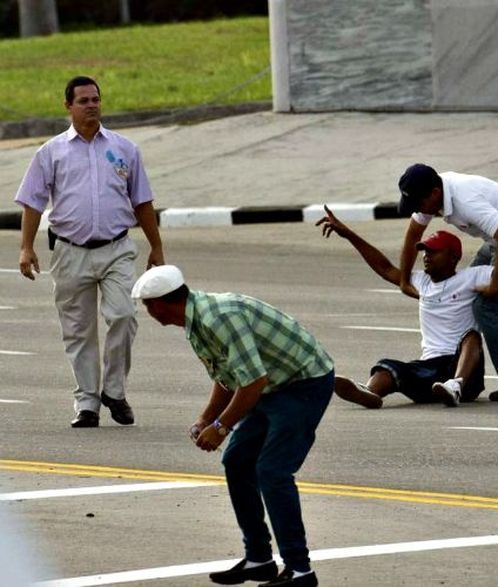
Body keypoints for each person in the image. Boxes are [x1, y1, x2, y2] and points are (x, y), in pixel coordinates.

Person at [132, 265, 333, 587]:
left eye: (147, 305)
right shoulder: (195, 322)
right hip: (271, 386)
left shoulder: (219, 318)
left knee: (273, 472)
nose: (148, 312)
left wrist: (222, 427)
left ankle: (300, 570)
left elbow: (253, 381)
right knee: (237, 462)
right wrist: (206, 419)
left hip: (302, 384)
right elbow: (228, 378)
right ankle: (259, 559)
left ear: (160, 304)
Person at [14, 75, 165, 428]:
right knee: (78, 331)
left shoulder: (125, 149)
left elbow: (142, 200)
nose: (91, 105)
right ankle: (87, 404)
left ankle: (114, 391)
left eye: (95, 99)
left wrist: (157, 247)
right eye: (83, 100)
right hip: (70, 252)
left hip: (116, 249)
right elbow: (33, 203)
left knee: (124, 315)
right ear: (68, 106)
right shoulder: (50, 152)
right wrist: (26, 247)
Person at [316, 205, 498, 408]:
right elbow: (385, 267)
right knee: (388, 367)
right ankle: (370, 392)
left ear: (453, 257)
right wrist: (348, 235)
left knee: (472, 337)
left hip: (464, 368)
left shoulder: (471, 277)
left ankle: (455, 386)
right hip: (430, 369)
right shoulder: (421, 282)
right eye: (425, 251)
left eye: (434, 251)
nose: (427, 256)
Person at [396, 163, 498, 402]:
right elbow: (413, 234)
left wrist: (495, 285)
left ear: (435, 194)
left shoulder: (465, 200)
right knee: (467, 292)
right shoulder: (431, 192)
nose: (417, 210)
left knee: (485, 305)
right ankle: (459, 369)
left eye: (419, 204)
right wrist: (405, 279)